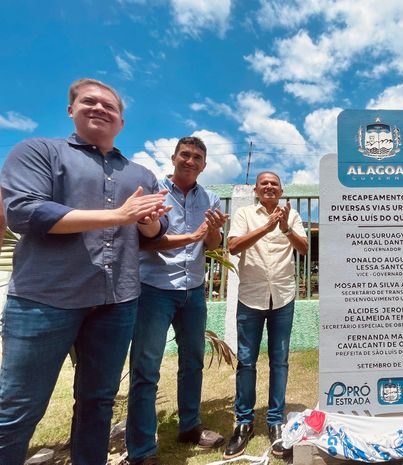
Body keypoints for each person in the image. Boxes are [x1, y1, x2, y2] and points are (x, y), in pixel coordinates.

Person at [0, 78, 169, 465]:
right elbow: (25, 212)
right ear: (71, 110)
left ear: (122, 122)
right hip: (44, 300)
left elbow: (153, 234)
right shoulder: (39, 152)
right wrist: (118, 215)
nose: (99, 109)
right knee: (19, 407)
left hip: (116, 303)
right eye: (89, 102)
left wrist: (147, 222)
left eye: (109, 106)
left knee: (98, 402)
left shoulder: (140, 175)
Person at [124, 136, 230, 465]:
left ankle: (190, 427)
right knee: (146, 368)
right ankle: (141, 450)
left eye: (197, 157)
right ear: (173, 157)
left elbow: (212, 247)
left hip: (193, 291)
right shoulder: (153, 190)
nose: (191, 160)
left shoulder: (211, 198)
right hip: (154, 289)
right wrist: (194, 235)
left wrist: (212, 230)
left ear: (204, 164)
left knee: (193, 363)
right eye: (185, 154)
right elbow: (144, 243)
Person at [223, 171, 308, 459]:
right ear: (257, 190)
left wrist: (284, 227)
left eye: (274, 184)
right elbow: (233, 246)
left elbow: (304, 248)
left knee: (279, 361)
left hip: (283, 296)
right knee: (246, 361)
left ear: (281, 190)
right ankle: (244, 423)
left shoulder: (291, 216)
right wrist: (267, 226)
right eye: (264, 184)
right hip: (250, 297)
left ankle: (275, 422)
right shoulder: (245, 213)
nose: (269, 187)